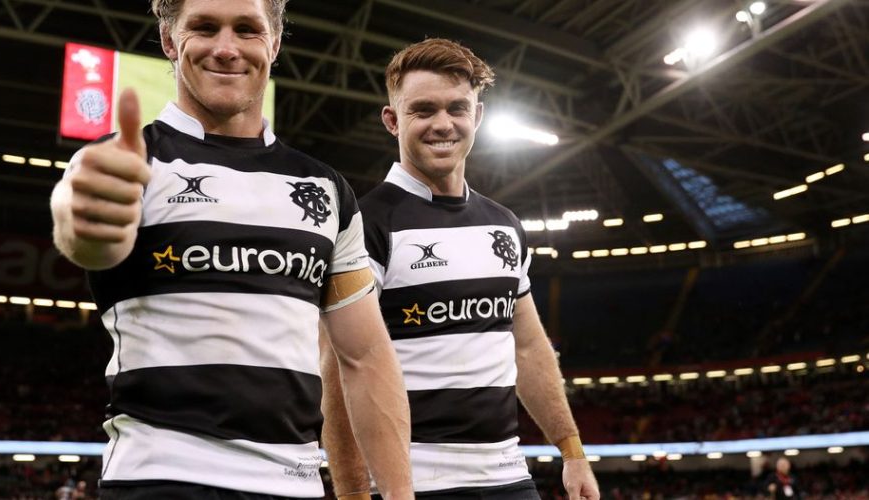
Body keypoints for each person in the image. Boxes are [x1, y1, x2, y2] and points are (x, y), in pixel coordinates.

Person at [48, 0, 413, 498]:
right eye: (204, 27)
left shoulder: (325, 189)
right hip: (161, 481)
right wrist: (86, 220)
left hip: (296, 485)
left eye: (247, 29)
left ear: (275, 43)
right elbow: (85, 234)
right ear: (169, 40)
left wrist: (397, 494)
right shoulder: (122, 161)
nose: (225, 48)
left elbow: (366, 356)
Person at [320, 39, 601, 499]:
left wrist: (572, 452)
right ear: (392, 120)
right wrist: (355, 495)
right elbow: (338, 372)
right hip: (413, 484)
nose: (443, 124)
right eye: (423, 110)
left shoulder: (505, 225)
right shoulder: (365, 225)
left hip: (509, 478)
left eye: (457, 108)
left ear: (478, 117)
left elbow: (529, 348)